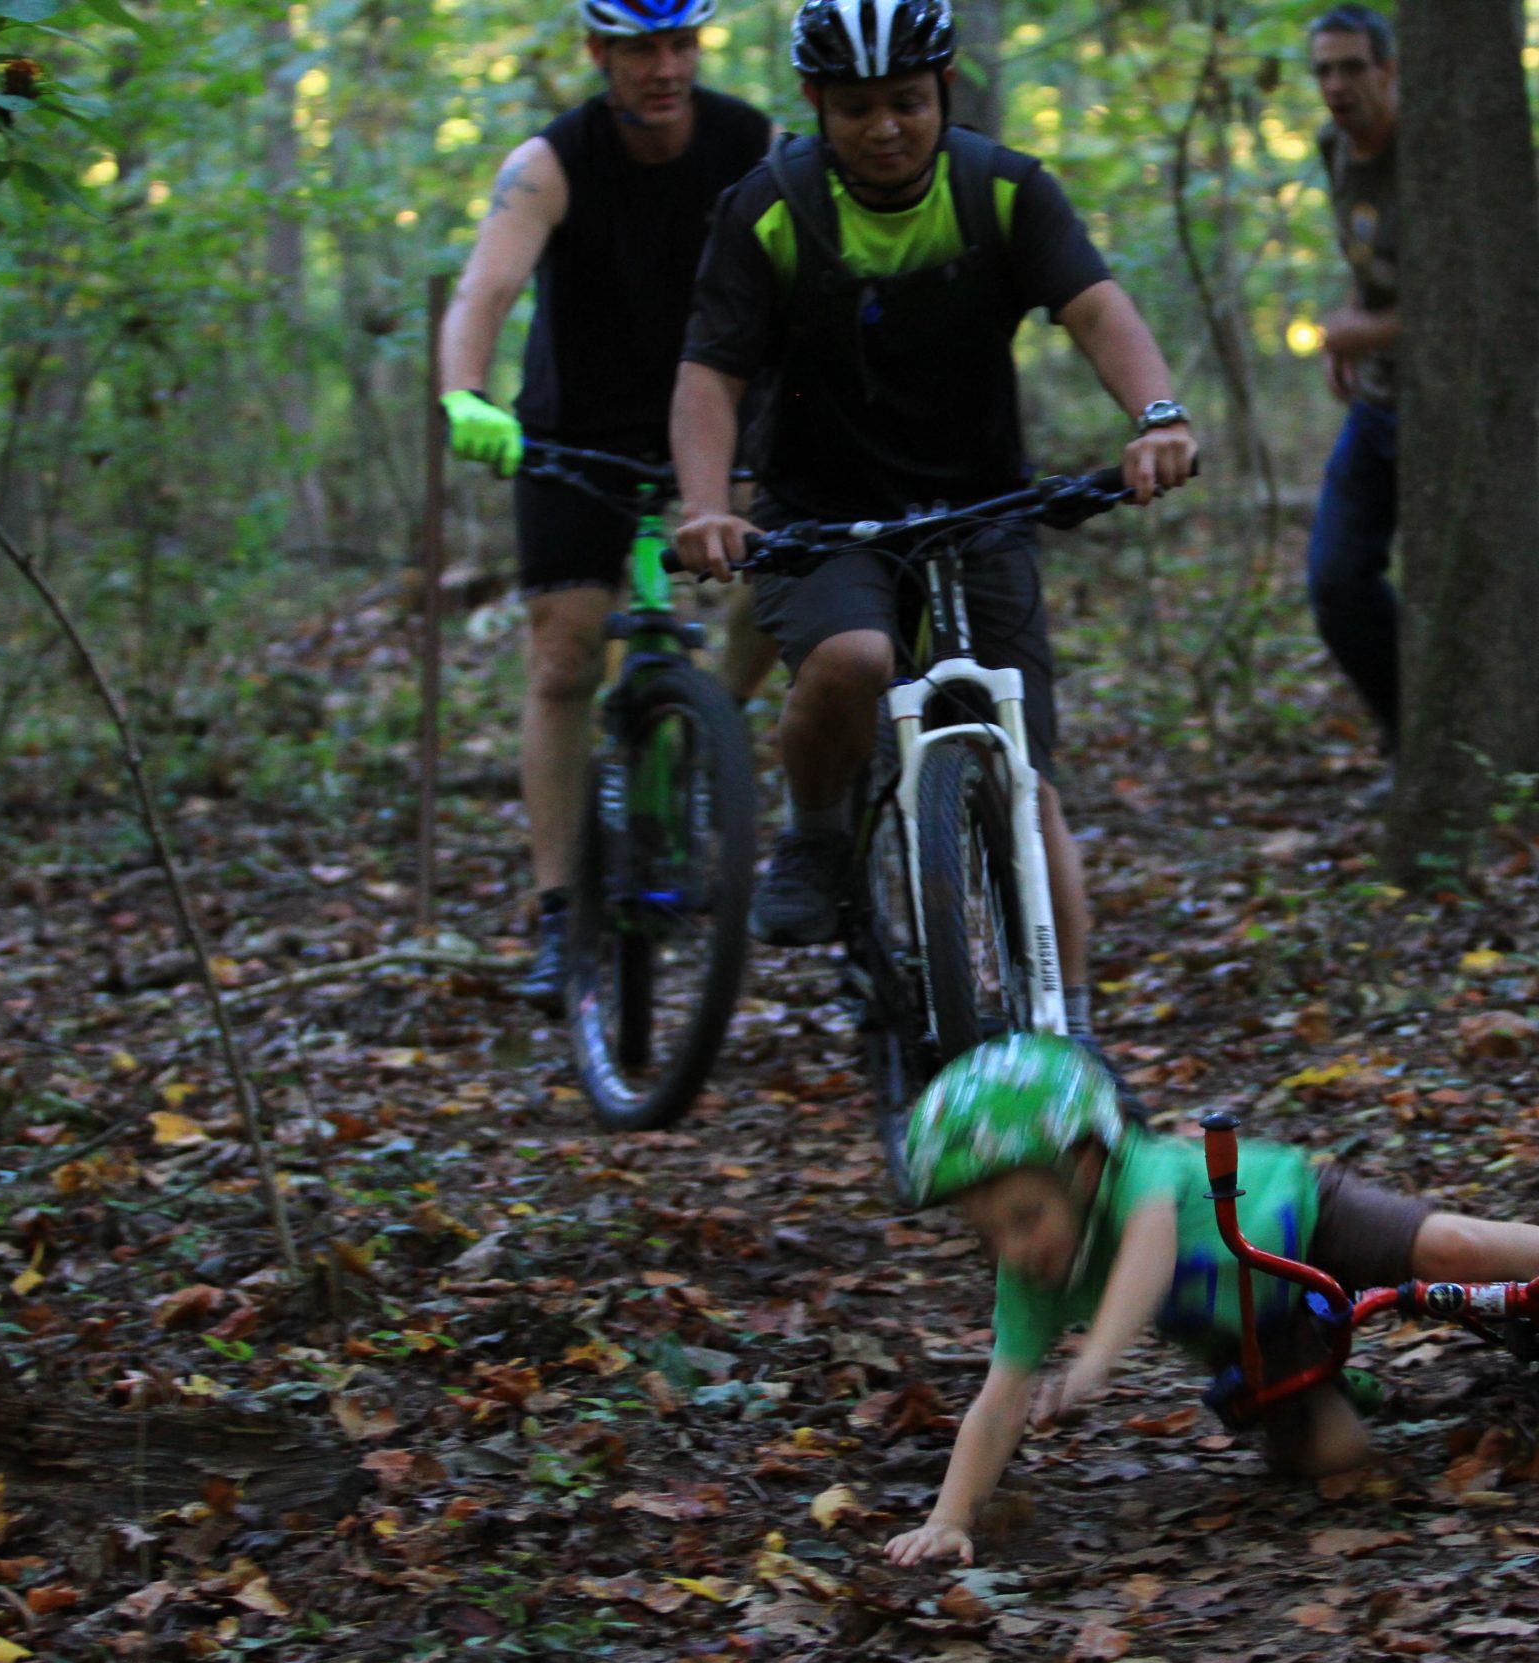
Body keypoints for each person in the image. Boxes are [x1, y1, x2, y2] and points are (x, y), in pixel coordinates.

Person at [671, 0, 1196, 1063]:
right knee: (853, 659)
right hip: (822, 515)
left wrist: (1156, 418)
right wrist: (706, 504)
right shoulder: (768, 210)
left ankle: (1074, 1040)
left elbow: (1095, 307)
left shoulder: (1001, 190)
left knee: (1023, 775)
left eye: (907, 102)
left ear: (943, 89)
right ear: (815, 105)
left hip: (978, 505)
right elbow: (709, 374)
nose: (885, 128)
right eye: (856, 107)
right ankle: (817, 839)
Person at [878, 1035, 1539, 1567]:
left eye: (1026, 1215)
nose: (1012, 1247)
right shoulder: (1034, 1271)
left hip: (1302, 1218)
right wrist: (949, 1516)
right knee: (1337, 1458)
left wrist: (1095, 1358)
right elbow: (999, 1398)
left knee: (1455, 1250)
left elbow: (1151, 1247)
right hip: (1259, 1329)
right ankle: (1342, 1375)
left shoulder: (1140, 1171)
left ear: (1087, 1162)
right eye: (988, 1233)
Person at [437, 0, 772, 1012]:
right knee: (565, 653)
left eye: (679, 46)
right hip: (575, 424)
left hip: (714, 410)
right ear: (599, 54)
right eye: (637, 49)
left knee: (789, 571)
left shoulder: (748, 139)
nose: (662, 69)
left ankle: (711, 727)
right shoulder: (550, 162)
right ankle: (554, 912)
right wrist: (465, 392)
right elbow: (482, 292)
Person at [1303, 3, 1402, 763]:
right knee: (1336, 582)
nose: (1335, 85)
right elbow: (1373, 264)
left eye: (1350, 67)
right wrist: (1351, 328)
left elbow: (1472, 306)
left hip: (1445, 411)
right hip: (1377, 404)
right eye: (1323, 70)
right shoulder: (1334, 149)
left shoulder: (1429, 155)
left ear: (1387, 68)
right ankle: (1413, 739)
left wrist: (1359, 331)